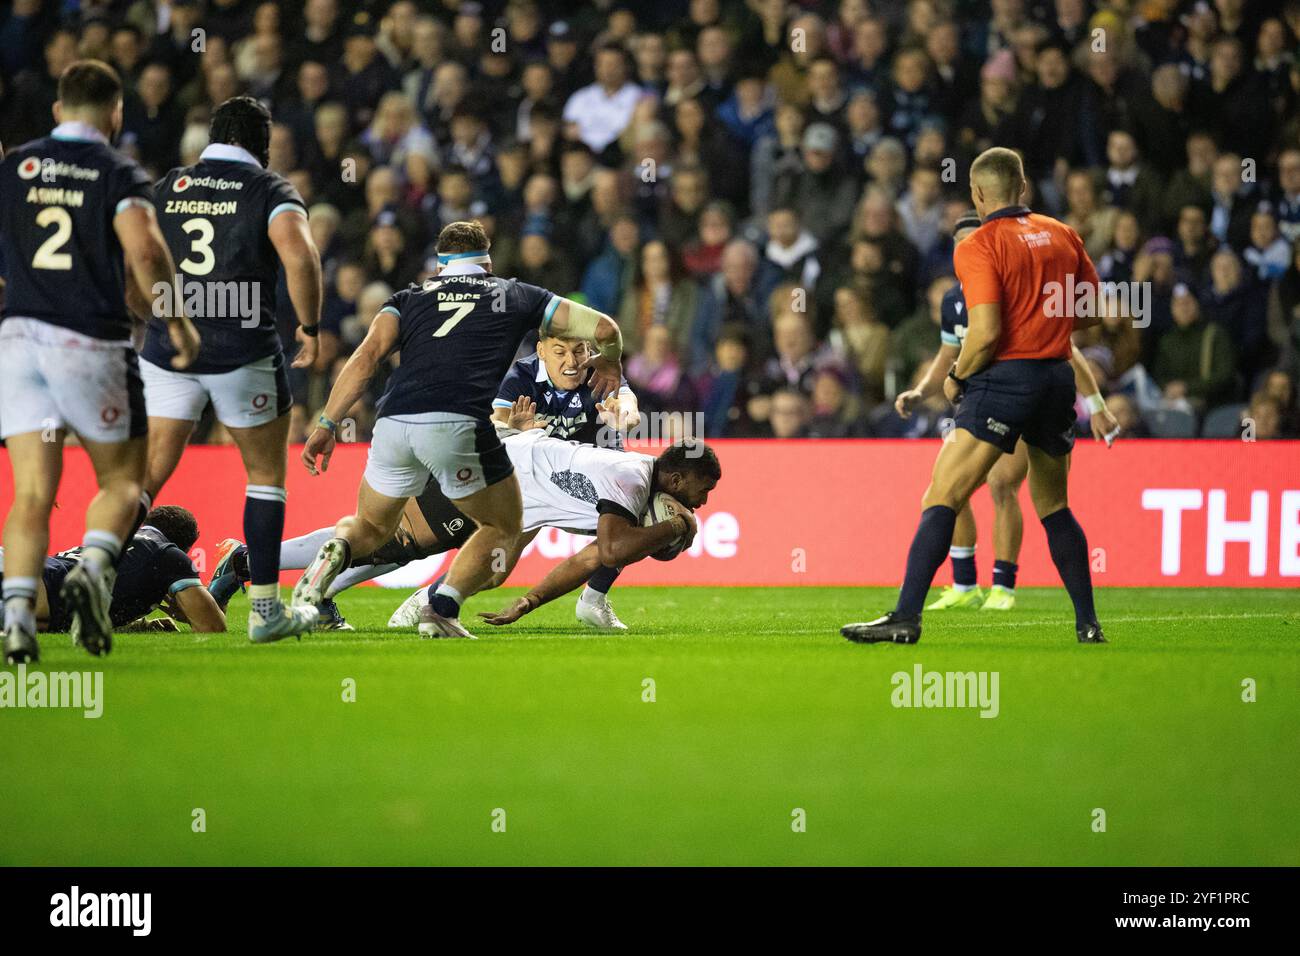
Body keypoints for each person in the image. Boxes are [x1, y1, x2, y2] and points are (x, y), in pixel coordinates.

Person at [290, 220, 624, 639]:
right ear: (487, 259)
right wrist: (609, 360)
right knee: (503, 526)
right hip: (456, 422)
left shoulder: (408, 298)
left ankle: (339, 548)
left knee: (371, 528)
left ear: (441, 261)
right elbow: (605, 329)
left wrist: (326, 422)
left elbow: (366, 357)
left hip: (392, 422)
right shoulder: (513, 293)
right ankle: (441, 609)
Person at [843, 148, 1107, 645]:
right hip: (1055, 379)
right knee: (1054, 504)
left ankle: (905, 616)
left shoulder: (979, 244)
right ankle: (1087, 623)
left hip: (1005, 379)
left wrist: (958, 377)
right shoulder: (1062, 233)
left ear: (978, 194)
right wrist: (1042, 321)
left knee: (942, 494)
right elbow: (1093, 312)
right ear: (1023, 187)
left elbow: (983, 333)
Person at [0, 60, 200, 664]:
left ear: (59, 110)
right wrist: (177, 319)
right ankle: (92, 568)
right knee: (120, 481)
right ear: (115, 114)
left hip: (18, 341)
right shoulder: (116, 171)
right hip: (90, 341)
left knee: (32, 493)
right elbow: (145, 249)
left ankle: (15, 617)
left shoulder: (15, 168)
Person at [139, 96, 324, 644]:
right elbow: (301, 257)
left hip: (168, 346)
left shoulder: (169, 185)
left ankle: (94, 582)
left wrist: (154, 316)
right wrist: (310, 329)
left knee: (147, 475)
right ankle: (266, 610)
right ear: (261, 144)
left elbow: (138, 256)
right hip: (241, 348)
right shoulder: (269, 190)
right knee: (265, 477)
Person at [895, 210, 1119, 612]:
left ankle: (1000, 584)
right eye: (959, 242)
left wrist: (1097, 404)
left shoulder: (1012, 290)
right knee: (952, 492)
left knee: (996, 487)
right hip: (987, 400)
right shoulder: (952, 300)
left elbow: (1068, 347)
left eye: (973, 240)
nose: (966, 247)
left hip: (1004, 395)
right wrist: (922, 389)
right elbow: (951, 350)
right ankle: (966, 585)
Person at [383, 430, 721, 632]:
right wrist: (679, 525)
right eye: (703, 490)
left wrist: (529, 601)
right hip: (503, 468)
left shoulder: (641, 496)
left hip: (526, 494)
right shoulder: (630, 478)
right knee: (404, 542)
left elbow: (590, 559)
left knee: (492, 573)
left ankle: (429, 600)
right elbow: (613, 551)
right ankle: (342, 563)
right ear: (676, 480)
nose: (703, 502)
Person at [0, 506, 224, 635]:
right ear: (185, 548)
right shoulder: (167, 553)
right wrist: (222, 587)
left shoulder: (121, 539)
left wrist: (138, 626)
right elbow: (213, 626)